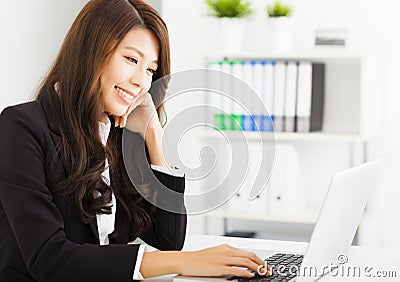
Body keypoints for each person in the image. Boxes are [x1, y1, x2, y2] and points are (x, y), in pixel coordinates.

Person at [0, 0, 270, 281]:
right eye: (131, 60)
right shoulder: (21, 127)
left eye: (150, 70)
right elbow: (49, 258)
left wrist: (153, 133)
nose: (141, 81)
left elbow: (169, 237)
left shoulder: (118, 134)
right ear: (91, 51)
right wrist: (181, 262)